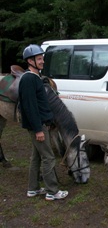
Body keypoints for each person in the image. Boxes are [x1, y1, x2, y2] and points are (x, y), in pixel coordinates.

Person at [19, 44, 68, 201]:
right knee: (48, 157)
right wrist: (38, 129)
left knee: (37, 157)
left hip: (40, 124)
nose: (42, 61)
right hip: (38, 126)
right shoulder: (28, 79)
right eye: (39, 59)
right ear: (30, 61)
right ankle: (52, 191)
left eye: (42, 58)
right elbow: (30, 107)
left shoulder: (35, 78)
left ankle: (32, 189)